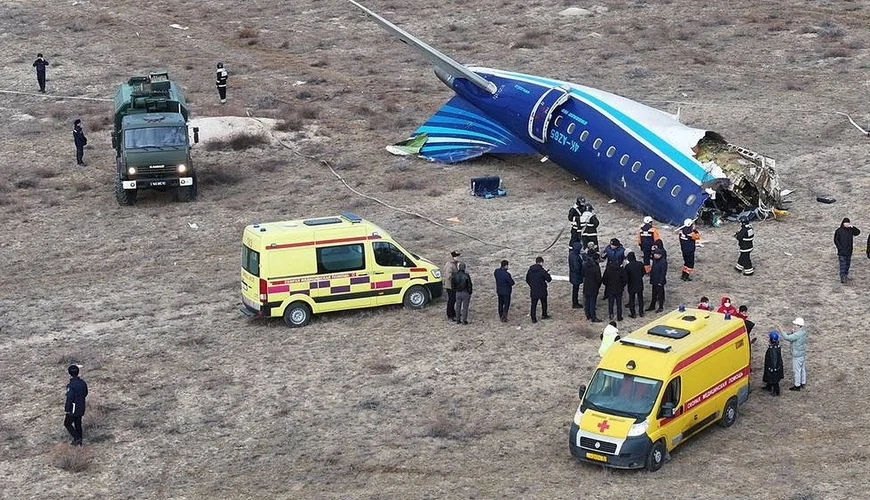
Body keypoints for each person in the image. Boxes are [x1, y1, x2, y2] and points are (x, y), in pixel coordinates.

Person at [64, 365, 88, 446]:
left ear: (69, 373)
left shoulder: (71, 386)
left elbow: (69, 398)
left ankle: (77, 438)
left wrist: (67, 408)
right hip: (81, 406)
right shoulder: (83, 383)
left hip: (73, 408)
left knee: (67, 423)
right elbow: (85, 393)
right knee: (78, 424)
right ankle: (80, 442)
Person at [781, 317, 807, 391]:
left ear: (799, 326)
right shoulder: (803, 332)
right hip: (802, 353)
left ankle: (797, 385)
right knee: (802, 369)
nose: (794, 326)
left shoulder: (797, 334)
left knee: (797, 370)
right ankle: (803, 382)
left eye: (795, 325)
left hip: (797, 355)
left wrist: (782, 331)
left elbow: (788, 337)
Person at [833, 217, 861, 283]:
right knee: (843, 265)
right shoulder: (839, 231)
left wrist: (852, 227)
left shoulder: (850, 230)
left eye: (848, 222)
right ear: (843, 223)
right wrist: (840, 248)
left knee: (847, 265)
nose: (847, 223)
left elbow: (858, 232)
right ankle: (842, 277)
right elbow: (836, 240)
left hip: (849, 251)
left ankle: (845, 276)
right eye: (846, 222)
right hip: (842, 252)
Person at [526, 256, 552, 323]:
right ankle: (544, 315)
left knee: (533, 305)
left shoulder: (530, 270)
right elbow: (549, 279)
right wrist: (547, 274)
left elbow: (527, 279)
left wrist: (532, 285)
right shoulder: (542, 271)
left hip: (534, 290)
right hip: (542, 290)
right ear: (541, 262)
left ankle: (533, 318)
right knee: (544, 303)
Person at [646, 240, 667, 313]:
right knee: (653, 294)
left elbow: (663, 273)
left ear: (660, 255)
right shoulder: (655, 260)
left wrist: (660, 282)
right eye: (654, 254)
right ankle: (652, 306)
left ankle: (660, 307)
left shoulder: (663, 262)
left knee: (660, 294)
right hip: (654, 279)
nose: (655, 255)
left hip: (659, 281)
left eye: (656, 254)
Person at [761, 331, 784, 396]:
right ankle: (768, 386)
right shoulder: (776, 346)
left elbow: (774, 360)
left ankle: (776, 392)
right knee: (769, 377)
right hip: (771, 365)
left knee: (774, 380)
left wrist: (773, 368)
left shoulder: (773, 349)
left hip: (773, 367)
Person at [624, 251, 646, 318]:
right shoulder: (640, 264)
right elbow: (643, 272)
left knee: (632, 299)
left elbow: (626, 276)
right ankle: (641, 312)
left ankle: (633, 313)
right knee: (640, 299)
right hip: (639, 283)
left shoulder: (628, 266)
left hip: (631, 284)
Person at [582, 252, 603, 322]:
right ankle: (593, 317)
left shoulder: (586, 265)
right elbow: (599, 279)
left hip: (586, 285)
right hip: (593, 287)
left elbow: (583, 274)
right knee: (592, 303)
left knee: (587, 301)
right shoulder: (596, 268)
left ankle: (588, 315)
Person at [442, 251, 460, 321]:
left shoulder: (454, 264)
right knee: (451, 300)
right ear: (453, 257)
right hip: (450, 286)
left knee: (453, 299)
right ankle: (450, 315)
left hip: (453, 285)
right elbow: (448, 276)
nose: (458, 258)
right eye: (457, 256)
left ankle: (453, 312)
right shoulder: (449, 265)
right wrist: (456, 276)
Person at [568, 244, 583, 309]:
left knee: (575, 289)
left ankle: (575, 302)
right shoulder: (576, 257)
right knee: (575, 290)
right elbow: (577, 267)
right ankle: (575, 303)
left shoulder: (571, 254)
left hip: (573, 274)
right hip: (576, 276)